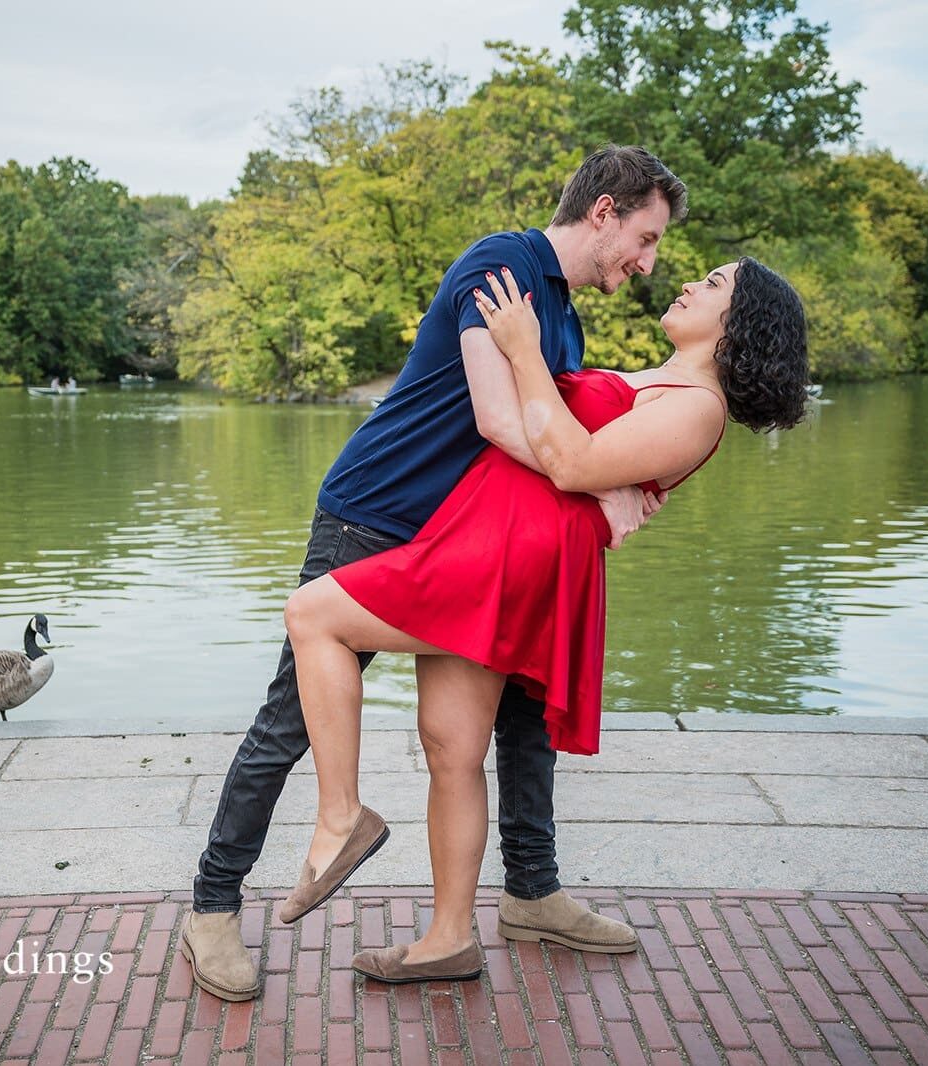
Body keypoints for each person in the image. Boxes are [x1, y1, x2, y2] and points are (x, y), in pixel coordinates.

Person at [181, 146, 688, 1002]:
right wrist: (602, 491)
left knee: (523, 712)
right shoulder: (503, 266)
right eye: (645, 237)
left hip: (466, 541)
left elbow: (574, 421)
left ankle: (533, 891)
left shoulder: (563, 314)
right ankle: (211, 908)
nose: (647, 262)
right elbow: (499, 419)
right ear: (604, 212)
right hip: (375, 516)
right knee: (289, 719)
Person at [279, 257, 809, 982]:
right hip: (484, 536)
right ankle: (448, 939)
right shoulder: (660, 380)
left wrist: (527, 352)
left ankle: (341, 817)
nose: (687, 282)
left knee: (314, 614)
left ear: (738, 325)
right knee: (451, 749)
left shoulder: (698, 407)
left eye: (713, 285)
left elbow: (572, 461)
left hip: (515, 554)